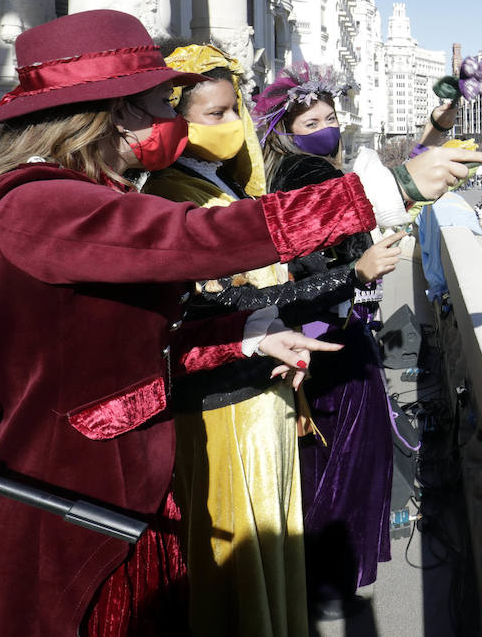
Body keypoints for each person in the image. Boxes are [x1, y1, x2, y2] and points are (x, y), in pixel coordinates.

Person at [0, 11, 476, 636]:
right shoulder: (36, 201)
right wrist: (380, 189)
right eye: (157, 100)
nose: (168, 116)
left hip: (125, 483)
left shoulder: (74, 194)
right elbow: (196, 238)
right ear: (119, 113)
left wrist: (244, 338)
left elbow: (132, 346)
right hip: (64, 498)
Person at [147, 45, 411, 635]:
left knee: (280, 533)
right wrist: (352, 273)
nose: (231, 124)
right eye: (214, 114)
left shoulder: (222, 181)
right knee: (250, 544)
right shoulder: (170, 195)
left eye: (233, 109)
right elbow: (217, 303)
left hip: (272, 381)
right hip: (228, 404)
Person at [255, 62, 482, 620]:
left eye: (331, 116)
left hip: (337, 333)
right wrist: (356, 271)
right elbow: (318, 256)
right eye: (313, 120)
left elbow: (384, 189)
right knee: (343, 457)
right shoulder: (303, 177)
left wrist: (438, 121)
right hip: (323, 339)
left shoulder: (319, 170)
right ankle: (326, 582)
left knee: (349, 453)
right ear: (286, 130)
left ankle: (327, 578)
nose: (327, 126)